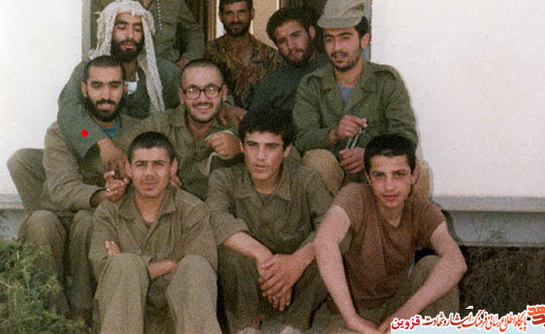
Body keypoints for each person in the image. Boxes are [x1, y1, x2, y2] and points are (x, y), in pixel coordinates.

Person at [7, 0, 181, 213]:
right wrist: (101, 142)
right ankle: (48, 222)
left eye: (137, 29)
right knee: (23, 161)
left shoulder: (162, 72)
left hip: (137, 153)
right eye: (122, 27)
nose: (130, 35)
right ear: (108, 30)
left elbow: (187, 104)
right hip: (90, 148)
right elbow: (70, 113)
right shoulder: (88, 68)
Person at [20, 56, 137, 322]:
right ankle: (51, 317)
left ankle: (81, 314)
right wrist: (102, 195)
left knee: (88, 219)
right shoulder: (69, 132)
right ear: (84, 89)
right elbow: (61, 189)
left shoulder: (136, 131)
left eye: (114, 86)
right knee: (39, 222)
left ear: (124, 88)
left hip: (103, 223)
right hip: (60, 218)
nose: (106, 95)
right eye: (97, 86)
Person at [315, 134, 466, 334]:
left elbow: (456, 261)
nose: (389, 186)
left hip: (398, 304)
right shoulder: (355, 196)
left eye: (398, 175)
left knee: (434, 267)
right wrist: (351, 318)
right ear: (368, 178)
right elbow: (325, 242)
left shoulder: (423, 212)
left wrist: (405, 314)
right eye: (379, 175)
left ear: (413, 175)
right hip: (353, 312)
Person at [206, 110, 332, 333]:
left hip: (297, 286)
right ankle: (247, 324)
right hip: (247, 288)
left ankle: (294, 324)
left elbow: (334, 226)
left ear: (287, 150)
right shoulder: (224, 179)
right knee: (229, 251)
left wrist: (296, 262)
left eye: (271, 147)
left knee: (328, 249)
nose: (260, 156)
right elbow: (215, 219)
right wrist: (262, 255)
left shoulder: (306, 179)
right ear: (241, 146)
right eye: (252, 145)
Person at [89, 131, 220, 333]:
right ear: (128, 169)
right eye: (141, 165)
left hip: (177, 321)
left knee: (195, 266)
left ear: (173, 168)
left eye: (158, 164)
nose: (149, 174)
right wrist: (170, 264)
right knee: (122, 265)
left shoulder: (193, 209)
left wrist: (136, 270)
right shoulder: (108, 212)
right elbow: (104, 271)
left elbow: (203, 267)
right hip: (122, 319)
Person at [292, 0, 421, 195]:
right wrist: (334, 133)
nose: (337, 48)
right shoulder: (312, 85)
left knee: (419, 171)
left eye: (345, 37)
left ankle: (401, 217)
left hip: (377, 176)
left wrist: (371, 155)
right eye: (329, 39)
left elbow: (406, 136)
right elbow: (301, 139)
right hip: (331, 182)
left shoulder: (386, 80)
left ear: (364, 40)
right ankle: (328, 218)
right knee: (318, 162)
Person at [127, 59, 242, 200]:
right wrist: (154, 178)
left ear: (223, 93)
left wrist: (241, 149)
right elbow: (120, 159)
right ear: (181, 96)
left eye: (211, 89)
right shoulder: (158, 125)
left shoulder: (240, 127)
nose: (202, 99)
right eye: (193, 90)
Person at [205, 0, 281, 111]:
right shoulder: (210, 52)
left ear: (252, 13)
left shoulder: (270, 56)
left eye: (241, 12)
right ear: (220, 16)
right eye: (229, 13)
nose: (235, 19)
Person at [249, 6, 329, 116]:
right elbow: (253, 121)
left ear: (311, 32)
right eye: (282, 41)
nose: (290, 46)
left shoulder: (335, 68)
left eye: (295, 36)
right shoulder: (273, 82)